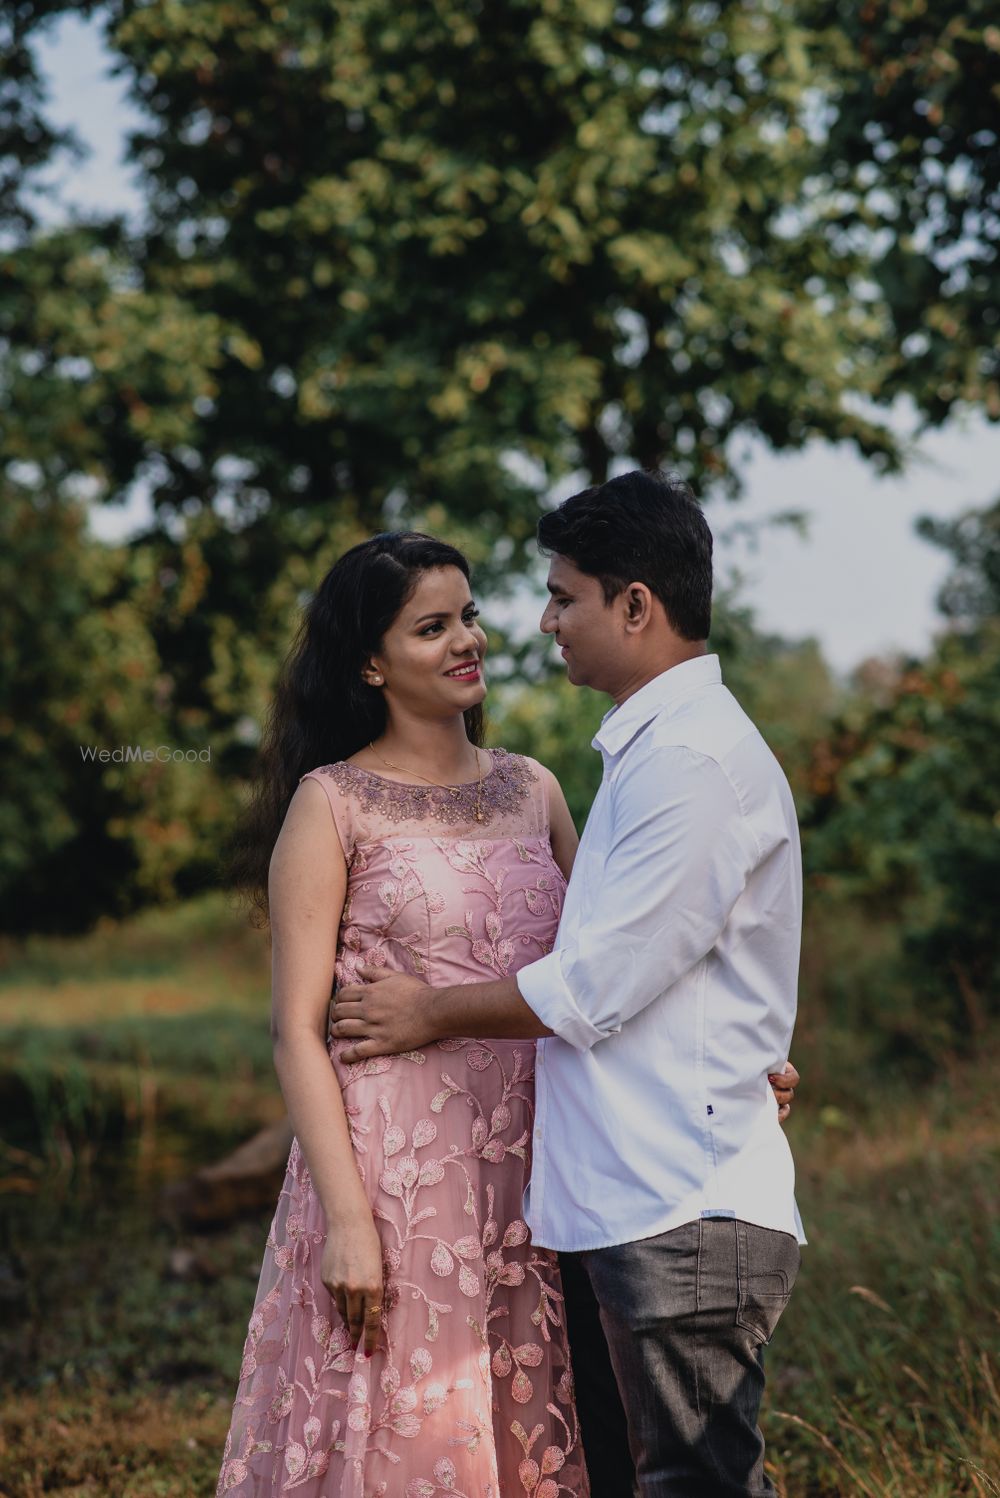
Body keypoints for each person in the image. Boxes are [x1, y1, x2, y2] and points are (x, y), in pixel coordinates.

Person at [332, 471, 806, 1498]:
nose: (539, 623)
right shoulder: (642, 754)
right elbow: (671, 970)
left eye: (562, 595)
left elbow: (593, 985)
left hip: (679, 1199)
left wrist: (426, 1011)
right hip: (627, 1198)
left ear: (634, 605)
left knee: (699, 1485)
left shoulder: (689, 760)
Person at [217, 532, 591, 1496]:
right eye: (433, 627)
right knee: (413, 1431)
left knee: (538, 1420)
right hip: (396, 1181)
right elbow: (296, 1029)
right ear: (371, 663)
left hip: (542, 1164)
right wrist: (347, 1219)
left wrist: (738, 1059)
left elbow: (608, 976)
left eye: (468, 615)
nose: (467, 640)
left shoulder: (535, 788)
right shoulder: (332, 804)